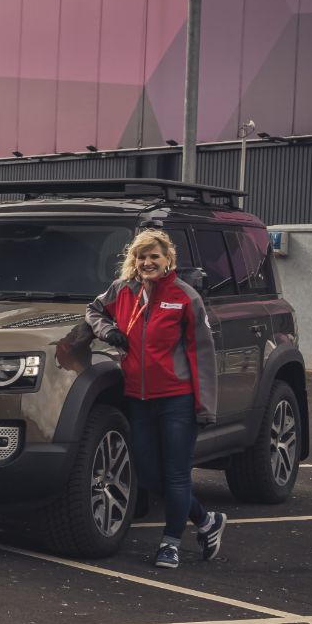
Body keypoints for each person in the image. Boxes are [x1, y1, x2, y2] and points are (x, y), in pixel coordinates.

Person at [85, 229, 227, 569]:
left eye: (154, 256)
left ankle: (170, 543)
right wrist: (107, 330)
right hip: (138, 398)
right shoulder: (122, 291)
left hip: (176, 399)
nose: (147, 262)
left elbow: (201, 354)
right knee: (148, 475)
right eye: (141, 256)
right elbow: (92, 312)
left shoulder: (183, 296)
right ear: (134, 261)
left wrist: (205, 405)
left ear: (168, 260)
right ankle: (207, 521)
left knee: (176, 475)